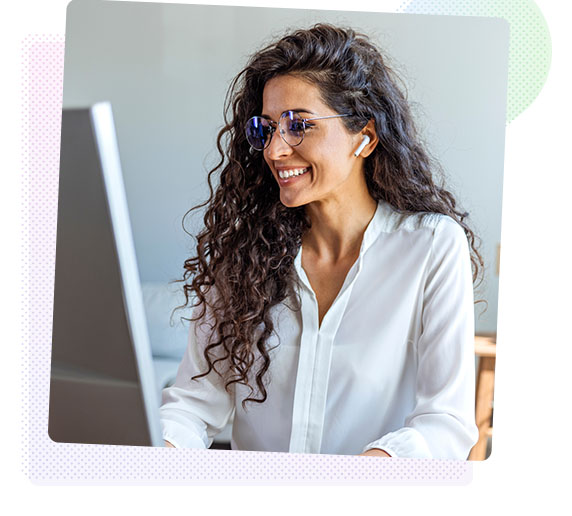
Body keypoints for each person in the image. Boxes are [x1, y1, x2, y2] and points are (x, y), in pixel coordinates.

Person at [160, 23, 482, 458]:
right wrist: (159, 449)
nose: (275, 150)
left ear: (364, 137)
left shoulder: (431, 247)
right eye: (268, 128)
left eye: (299, 126)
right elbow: (192, 407)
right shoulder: (245, 255)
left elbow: (446, 422)